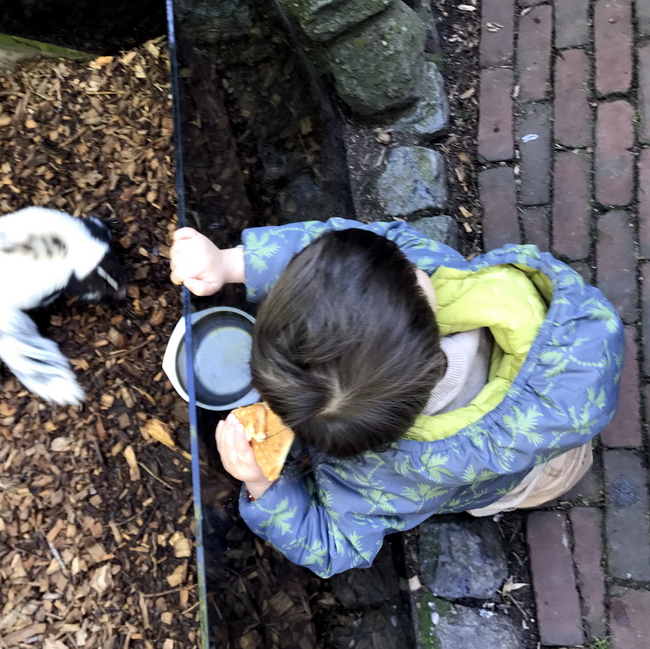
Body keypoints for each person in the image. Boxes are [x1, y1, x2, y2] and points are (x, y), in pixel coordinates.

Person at [169, 218, 624, 578]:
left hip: (528, 470)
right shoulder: (428, 278)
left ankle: (543, 482)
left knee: (539, 473)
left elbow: (333, 545)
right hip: (553, 400)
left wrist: (263, 486)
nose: (401, 252)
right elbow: (364, 246)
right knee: (552, 443)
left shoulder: (384, 476)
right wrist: (232, 263)